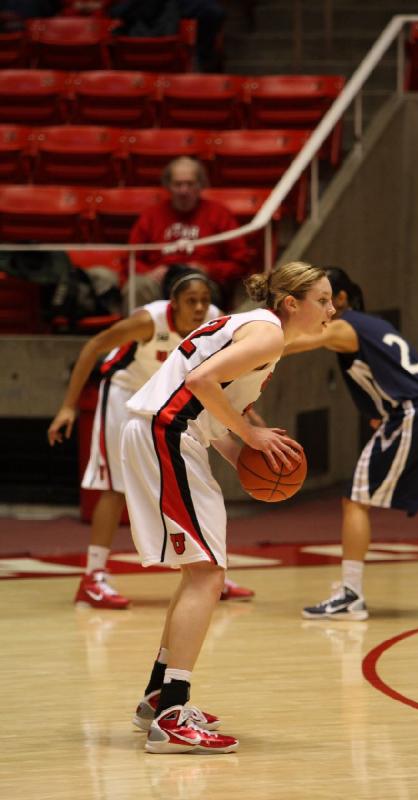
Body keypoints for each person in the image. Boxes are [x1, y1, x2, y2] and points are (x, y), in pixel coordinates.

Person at [121, 261, 334, 754]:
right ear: (290, 304)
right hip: (168, 435)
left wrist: (241, 453)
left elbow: (208, 405)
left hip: (168, 432)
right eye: (322, 299)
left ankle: (158, 695)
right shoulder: (268, 336)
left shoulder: (253, 329)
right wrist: (251, 433)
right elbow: (200, 383)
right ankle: (174, 713)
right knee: (207, 575)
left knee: (198, 572)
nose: (330, 308)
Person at [284, 266, 418, 621]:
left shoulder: (344, 326)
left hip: (413, 413)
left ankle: (350, 594)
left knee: (355, 498)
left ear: (341, 300)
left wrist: (249, 339)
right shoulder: (374, 326)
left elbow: (294, 344)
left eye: (325, 299)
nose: (321, 307)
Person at [48, 267, 255, 610]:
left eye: (205, 300)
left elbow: (220, 378)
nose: (201, 308)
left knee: (197, 476)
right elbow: (94, 347)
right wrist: (68, 406)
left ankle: (210, 568)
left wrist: (246, 417)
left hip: (167, 398)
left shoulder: (216, 320)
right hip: (124, 393)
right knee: (114, 487)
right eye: (192, 301)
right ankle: (93, 577)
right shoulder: (149, 321)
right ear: (172, 303)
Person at [123, 157, 252, 312]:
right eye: (178, 184)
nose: (184, 190)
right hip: (160, 282)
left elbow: (240, 262)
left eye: (190, 184)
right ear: (168, 186)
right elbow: (130, 259)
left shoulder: (219, 214)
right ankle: (138, 335)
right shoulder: (151, 215)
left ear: (200, 186)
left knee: (195, 288)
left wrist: (208, 269)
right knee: (137, 285)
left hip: (202, 281)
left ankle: (199, 337)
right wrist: (149, 273)